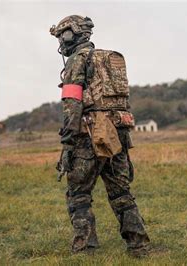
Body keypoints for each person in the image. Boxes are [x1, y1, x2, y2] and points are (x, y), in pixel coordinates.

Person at [50, 16, 150, 257]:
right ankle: (138, 246)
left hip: (89, 136)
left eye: (61, 36)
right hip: (117, 135)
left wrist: (68, 139)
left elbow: (72, 102)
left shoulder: (77, 60)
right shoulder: (109, 59)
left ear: (69, 35)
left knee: (78, 193)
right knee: (121, 192)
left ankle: (85, 248)